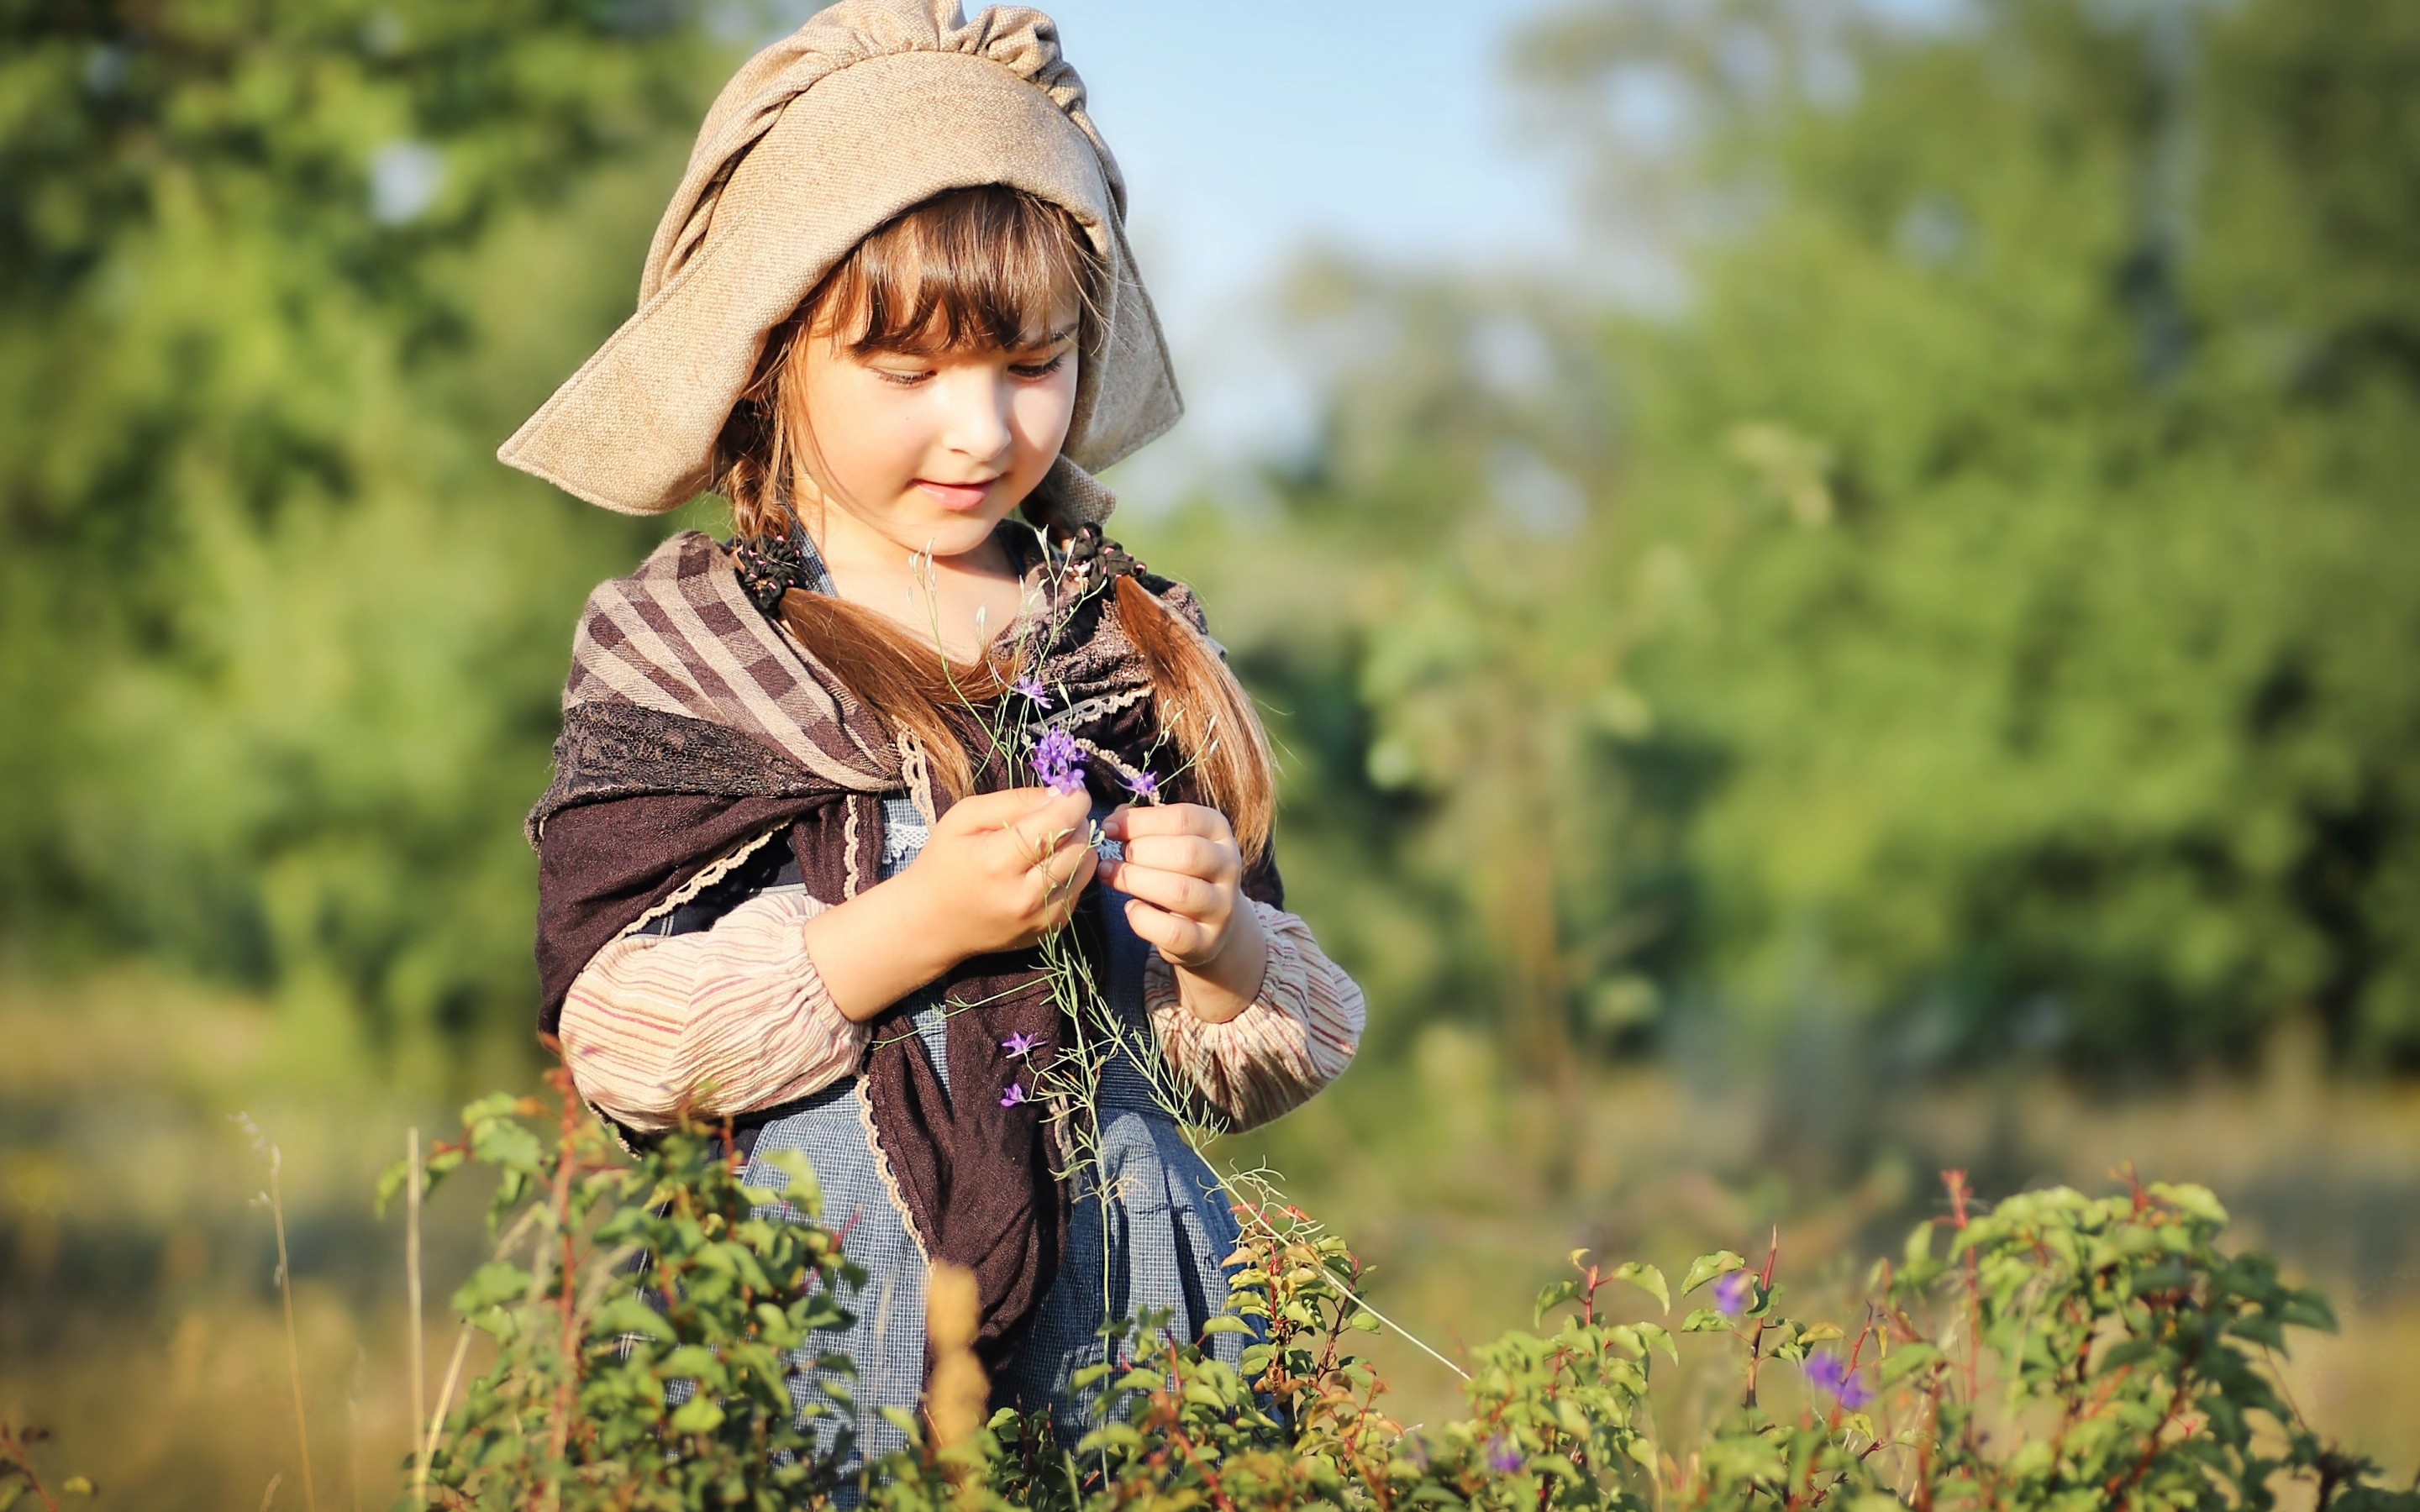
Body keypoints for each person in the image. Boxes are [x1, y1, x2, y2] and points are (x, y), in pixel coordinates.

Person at [502, 0, 1365, 1469]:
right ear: (774, 353)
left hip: (1137, 1322)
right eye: (909, 373)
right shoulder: (692, 644)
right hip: (817, 1306)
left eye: (1030, 364)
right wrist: (905, 928)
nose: (982, 432)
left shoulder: (1121, 633)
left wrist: (1218, 945)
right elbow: (616, 1035)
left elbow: (1255, 1065)